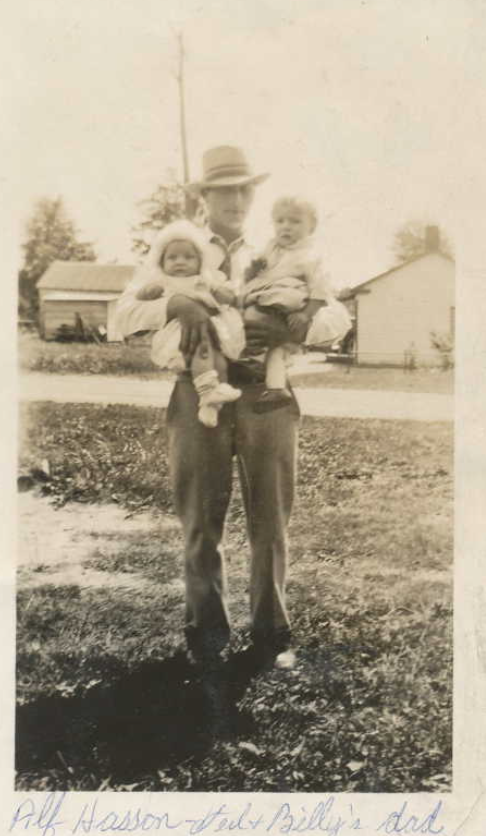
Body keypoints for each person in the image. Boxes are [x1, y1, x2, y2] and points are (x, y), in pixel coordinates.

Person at [116, 145, 351, 670]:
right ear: (205, 197)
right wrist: (170, 303)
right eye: (225, 189)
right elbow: (123, 314)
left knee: (270, 517)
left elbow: (336, 313)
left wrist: (298, 328)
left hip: (266, 394)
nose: (238, 198)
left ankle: (271, 631)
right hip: (195, 388)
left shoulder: (281, 250)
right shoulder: (177, 251)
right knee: (200, 516)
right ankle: (206, 631)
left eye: (246, 189)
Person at [133, 219, 245, 427]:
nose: (180, 262)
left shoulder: (205, 280)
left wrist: (226, 295)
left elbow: (224, 295)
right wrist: (149, 291)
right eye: (172, 258)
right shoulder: (163, 281)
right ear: (162, 263)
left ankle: (210, 407)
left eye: (188, 257)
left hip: (210, 331)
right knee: (202, 348)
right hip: (183, 333)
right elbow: (139, 297)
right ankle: (207, 392)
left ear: (200, 262)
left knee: (219, 364)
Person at [243, 195, 333, 412]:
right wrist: (254, 268)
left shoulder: (311, 255)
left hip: (286, 300)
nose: (286, 227)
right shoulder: (271, 248)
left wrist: (306, 314)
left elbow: (320, 287)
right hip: (264, 296)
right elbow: (255, 270)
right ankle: (275, 387)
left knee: (270, 337)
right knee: (272, 346)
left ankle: (269, 379)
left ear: (311, 227)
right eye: (280, 221)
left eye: (295, 221)